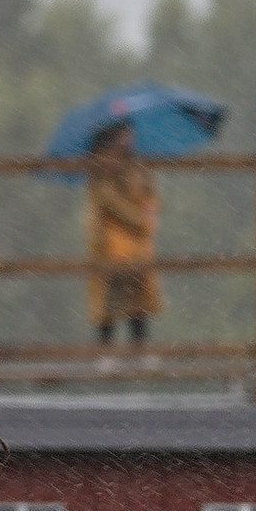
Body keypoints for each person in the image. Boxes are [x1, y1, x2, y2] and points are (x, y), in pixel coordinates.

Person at [85, 122, 162, 356]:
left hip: (137, 244)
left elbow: (150, 193)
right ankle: (106, 352)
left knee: (138, 300)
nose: (129, 138)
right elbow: (109, 202)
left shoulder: (136, 164)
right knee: (108, 300)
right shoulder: (101, 167)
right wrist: (140, 218)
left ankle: (141, 348)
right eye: (124, 134)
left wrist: (150, 209)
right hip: (111, 243)